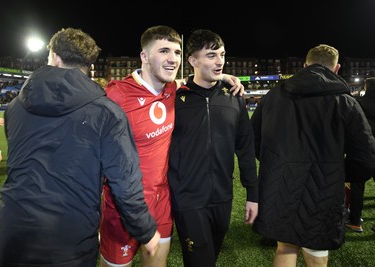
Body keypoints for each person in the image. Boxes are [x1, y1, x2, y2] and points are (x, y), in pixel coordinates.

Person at [0, 27, 160, 267]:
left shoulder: (15, 107)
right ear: (89, 65)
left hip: (8, 235)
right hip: (69, 242)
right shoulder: (107, 113)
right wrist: (145, 230)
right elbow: (124, 182)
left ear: (54, 56)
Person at [100, 25, 244, 267]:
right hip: (121, 206)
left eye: (177, 52)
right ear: (144, 57)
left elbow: (191, 80)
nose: (173, 59)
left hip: (161, 202)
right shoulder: (117, 96)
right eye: (164, 51)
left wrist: (223, 76)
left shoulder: (172, 90)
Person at [251, 44, 375, 267]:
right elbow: (366, 155)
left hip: (281, 185)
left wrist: (279, 165)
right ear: (336, 68)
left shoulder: (274, 95)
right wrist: (339, 174)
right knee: (316, 252)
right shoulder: (345, 102)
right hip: (323, 189)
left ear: (305, 65)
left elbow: (254, 139)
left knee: (285, 246)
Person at [167, 29, 258, 267]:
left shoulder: (234, 96)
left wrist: (253, 194)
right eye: (211, 55)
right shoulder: (174, 97)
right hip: (187, 199)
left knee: (209, 258)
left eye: (222, 55)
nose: (219, 62)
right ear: (193, 61)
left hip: (223, 198)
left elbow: (246, 148)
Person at [345, 77, 375, 233]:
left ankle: (355, 220)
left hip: (361, 151)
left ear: (366, 86)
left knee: (357, 185)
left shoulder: (358, 103)